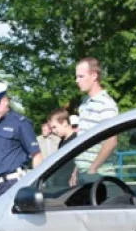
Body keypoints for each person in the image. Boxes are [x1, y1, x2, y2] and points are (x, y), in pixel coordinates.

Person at [71, 57, 120, 186]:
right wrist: (76, 170)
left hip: (100, 176)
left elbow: (111, 141)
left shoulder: (106, 104)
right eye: (76, 77)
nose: (77, 81)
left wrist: (93, 168)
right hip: (85, 174)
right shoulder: (84, 103)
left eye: (81, 76)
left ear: (94, 76)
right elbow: (83, 141)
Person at [47, 108, 79, 187]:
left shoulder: (76, 140)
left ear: (64, 123)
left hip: (70, 185)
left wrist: (75, 173)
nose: (53, 131)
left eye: (54, 127)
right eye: (51, 128)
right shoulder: (62, 141)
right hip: (60, 183)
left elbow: (80, 161)